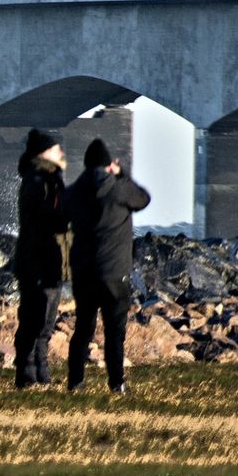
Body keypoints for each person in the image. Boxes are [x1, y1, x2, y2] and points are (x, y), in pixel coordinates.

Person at [65, 138, 151, 394]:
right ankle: (116, 383)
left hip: (83, 272)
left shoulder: (74, 192)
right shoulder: (119, 189)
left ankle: (75, 382)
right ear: (108, 165)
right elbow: (143, 199)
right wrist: (122, 174)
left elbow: (62, 213)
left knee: (83, 328)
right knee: (115, 331)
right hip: (114, 272)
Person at [12, 129, 71, 389]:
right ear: (44, 152)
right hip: (38, 260)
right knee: (34, 320)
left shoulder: (50, 178)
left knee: (46, 322)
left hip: (52, 260)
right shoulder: (37, 179)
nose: (61, 154)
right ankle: (27, 373)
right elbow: (44, 215)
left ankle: (41, 372)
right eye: (56, 149)